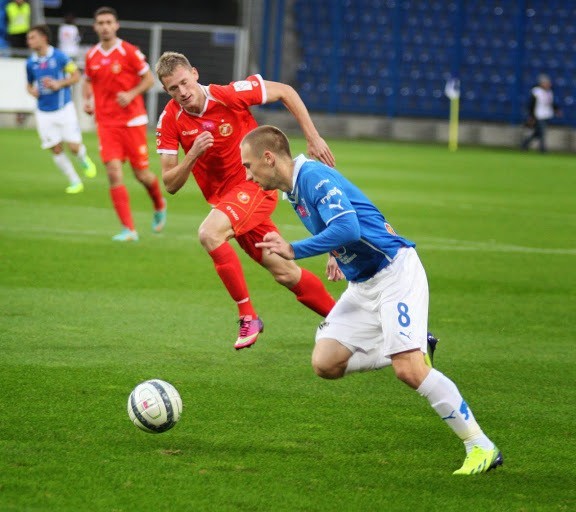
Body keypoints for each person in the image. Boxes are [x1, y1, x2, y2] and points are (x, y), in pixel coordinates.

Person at [243, 125, 503, 475]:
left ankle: (480, 446)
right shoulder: (294, 190)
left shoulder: (313, 178)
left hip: (395, 272)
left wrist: (294, 249)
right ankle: (412, 342)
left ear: (269, 158)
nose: (247, 173)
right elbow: (344, 220)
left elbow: (349, 227)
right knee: (325, 363)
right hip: (363, 284)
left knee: (409, 370)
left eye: (248, 165)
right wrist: (333, 250)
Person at [154, 51, 337, 349]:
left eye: (184, 83)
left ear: (195, 74)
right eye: (173, 89)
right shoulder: (169, 121)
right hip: (229, 204)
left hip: (256, 185)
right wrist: (193, 154)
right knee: (285, 271)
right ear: (166, 90)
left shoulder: (228, 95)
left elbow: (286, 91)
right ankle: (347, 321)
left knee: (210, 233)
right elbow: (170, 183)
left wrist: (313, 136)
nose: (183, 92)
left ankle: (247, 316)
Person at [83, 6, 166, 241]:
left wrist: (131, 94)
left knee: (141, 174)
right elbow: (87, 81)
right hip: (107, 123)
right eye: (100, 22)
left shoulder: (129, 51)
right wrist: (87, 100)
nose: (105, 26)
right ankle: (128, 229)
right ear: (95, 27)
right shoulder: (91, 55)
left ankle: (159, 204)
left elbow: (149, 79)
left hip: (132, 122)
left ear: (116, 25)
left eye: (109, 22)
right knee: (113, 173)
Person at [25, 24, 97, 194]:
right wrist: (32, 91)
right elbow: (28, 85)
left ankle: (83, 158)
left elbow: (76, 75)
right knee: (55, 148)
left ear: (44, 38)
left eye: (32, 37)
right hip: (43, 112)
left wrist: (59, 84)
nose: (29, 41)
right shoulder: (30, 63)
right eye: (28, 38)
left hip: (64, 108)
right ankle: (74, 181)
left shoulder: (59, 57)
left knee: (73, 147)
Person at [521, 74, 561, 153]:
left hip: (547, 115)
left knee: (537, 133)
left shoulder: (549, 92)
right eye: (546, 83)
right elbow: (531, 105)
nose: (548, 84)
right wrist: (531, 116)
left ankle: (525, 144)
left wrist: (556, 110)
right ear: (541, 83)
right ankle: (542, 149)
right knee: (542, 132)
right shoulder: (536, 92)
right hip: (538, 115)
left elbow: (551, 103)